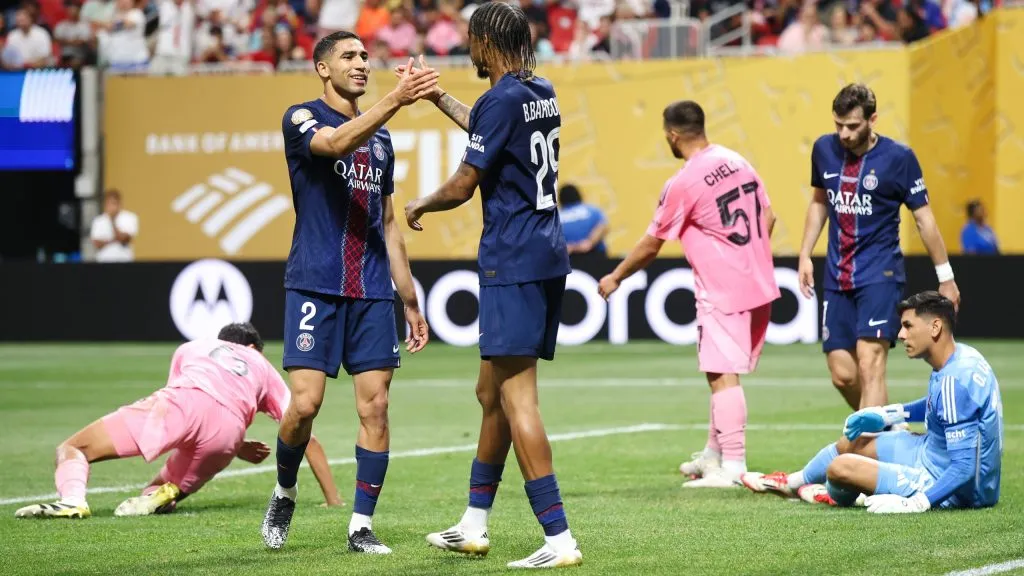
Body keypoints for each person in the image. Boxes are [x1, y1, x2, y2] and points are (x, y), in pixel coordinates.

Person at [401, 2, 582, 568]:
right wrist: (437, 99)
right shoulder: (538, 90)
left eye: (470, 38)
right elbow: (488, 124)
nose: (466, 47)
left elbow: (463, 184)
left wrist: (420, 202)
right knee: (490, 394)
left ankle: (559, 539)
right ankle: (474, 523)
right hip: (545, 253)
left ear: (486, 40)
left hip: (513, 258)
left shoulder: (501, 99)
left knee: (516, 396)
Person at [260, 31, 433, 555]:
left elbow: (387, 220)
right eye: (348, 57)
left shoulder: (382, 141)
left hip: (373, 290)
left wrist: (408, 296)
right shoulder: (301, 118)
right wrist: (396, 99)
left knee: (375, 407)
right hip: (314, 281)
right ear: (322, 68)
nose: (361, 64)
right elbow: (334, 144)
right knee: (305, 405)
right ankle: (285, 489)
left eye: (364, 56)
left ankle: (360, 525)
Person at [597, 100, 780, 488]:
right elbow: (770, 216)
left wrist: (615, 277)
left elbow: (651, 244)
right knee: (720, 371)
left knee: (721, 376)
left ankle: (732, 466)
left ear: (673, 135)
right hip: (759, 281)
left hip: (723, 289)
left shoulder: (684, 181)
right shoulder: (737, 160)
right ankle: (713, 455)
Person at [15, 323, 341, 519]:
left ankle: (72, 500)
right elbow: (304, 431)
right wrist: (333, 500)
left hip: (180, 404)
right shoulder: (262, 365)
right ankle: (163, 494)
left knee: (75, 448)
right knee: (155, 493)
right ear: (254, 347)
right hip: (226, 435)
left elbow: (188, 405)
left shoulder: (194, 346)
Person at [741, 291, 1003, 514]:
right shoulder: (962, 357)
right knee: (851, 443)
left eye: (908, 326)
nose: (900, 334)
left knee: (839, 467)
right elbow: (942, 405)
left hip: (953, 487)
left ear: (935, 327)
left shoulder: (955, 380)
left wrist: (916, 503)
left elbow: (964, 468)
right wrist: (887, 415)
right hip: (930, 452)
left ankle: (837, 494)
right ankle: (791, 483)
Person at [797, 83, 961, 412]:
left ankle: (871, 449)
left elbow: (924, 220)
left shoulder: (899, 158)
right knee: (842, 373)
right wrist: (804, 254)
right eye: (838, 125)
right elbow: (819, 202)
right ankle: (885, 427)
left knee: (870, 361)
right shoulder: (823, 150)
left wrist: (946, 277)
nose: (844, 134)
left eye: (853, 126)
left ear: (873, 119)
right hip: (837, 274)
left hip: (880, 273)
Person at [558, 184, 609, 258]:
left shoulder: (556, 217)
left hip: (569, 260)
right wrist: (589, 243)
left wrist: (570, 247)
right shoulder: (592, 210)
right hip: (596, 256)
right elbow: (603, 227)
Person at [90, 189, 139, 263]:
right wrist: (113, 240)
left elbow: (125, 239)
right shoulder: (98, 221)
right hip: (104, 262)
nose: (111, 207)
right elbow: (97, 244)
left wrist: (112, 221)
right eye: (108, 204)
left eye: (113, 203)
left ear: (119, 204)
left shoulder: (129, 217)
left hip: (124, 261)